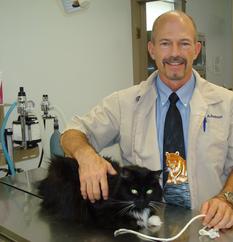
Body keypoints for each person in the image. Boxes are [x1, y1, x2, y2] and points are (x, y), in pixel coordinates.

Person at [61, 10, 233, 229]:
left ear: (196, 50)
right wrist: (86, 156)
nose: (174, 53)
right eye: (165, 43)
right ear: (151, 49)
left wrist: (226, 198)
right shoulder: (123, 102)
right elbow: (72, 132)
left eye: (184, 43)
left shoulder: (227, 103)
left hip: (210, 225)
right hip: (144, 226)